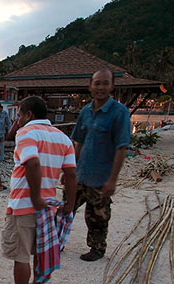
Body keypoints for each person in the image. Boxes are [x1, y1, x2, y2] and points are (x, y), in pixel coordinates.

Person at [1, 97, 77, 284]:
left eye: (19, 114)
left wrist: (35, 197)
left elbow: (32, 162)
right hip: (48, 207)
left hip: (24, 204)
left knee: (21, 254)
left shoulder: (25, 133)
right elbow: (71, 174)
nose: (18, 119)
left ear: (28, 115)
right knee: (40, 249)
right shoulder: (63, 139)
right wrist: (69, 204)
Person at [70, 68, 130, 262]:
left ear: (112, 86)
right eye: (97, 83)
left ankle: (97, 248)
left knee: (97, 217)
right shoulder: (85, 112)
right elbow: (78, 142)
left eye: (105, 83)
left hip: (101, 176)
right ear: (90, 86)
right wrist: (69, 170)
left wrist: (112, 180)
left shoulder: (119, 113)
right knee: (65, 209)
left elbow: (122, 148)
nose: (101, 87)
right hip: (80, 173)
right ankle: (56, 241)